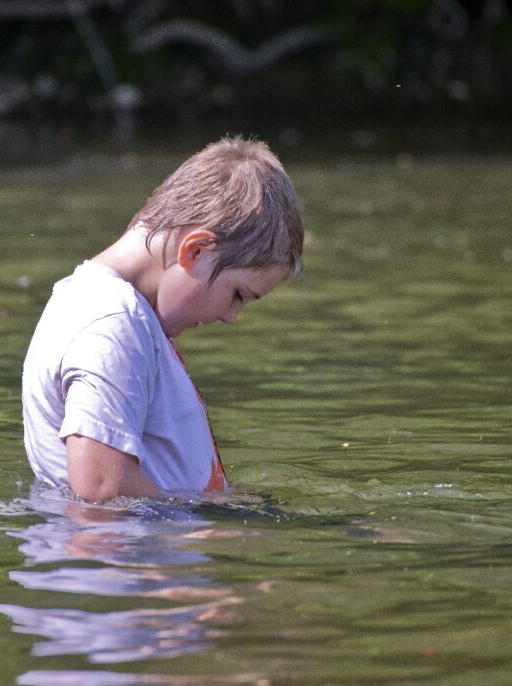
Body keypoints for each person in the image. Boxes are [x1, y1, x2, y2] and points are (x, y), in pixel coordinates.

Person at [22, 136, 303, 502]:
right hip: (124, 559)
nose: (232, 317)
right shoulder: (110, 322)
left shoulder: (126, 316)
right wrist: (215, 530)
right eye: (239, 295)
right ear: (196, 249)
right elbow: (100, 488)